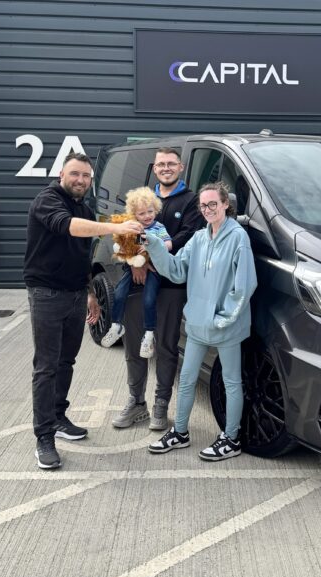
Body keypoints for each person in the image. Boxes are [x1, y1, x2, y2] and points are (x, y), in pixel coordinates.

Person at [24, 152, 143, 470]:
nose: (80, 180)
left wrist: (90, 293)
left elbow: (80, 257)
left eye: (86, 176)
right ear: (62, 174)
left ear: (91, 180)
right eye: (75, 174)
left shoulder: (85, 209)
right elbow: (69, 228)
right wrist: (114, 227)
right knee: (46, 367)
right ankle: (44, 437)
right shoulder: (48, 200)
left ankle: (58, 417)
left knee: (66, 362)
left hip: (76, 295)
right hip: (47, 294)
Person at [146, 181, 257, 461]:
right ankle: (180, 432)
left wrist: (224, 317)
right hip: (197, 323)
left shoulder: (238, 237)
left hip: (226, 325)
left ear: (225, 205)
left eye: (213, 204)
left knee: (231, 382)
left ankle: (231, 439)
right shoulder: (198, 238)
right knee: (186, 380)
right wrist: (155, 245)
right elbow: (176, 271)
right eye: (203, 205)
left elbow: (245, 284)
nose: (207, 209)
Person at [112, 147, 205, 431]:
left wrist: (153, 257)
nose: (166, 168)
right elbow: (125, 234)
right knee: (133, 346)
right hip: (137, 280)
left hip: (171, 286)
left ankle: (161, 404)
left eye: (171, 164)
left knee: (165, 347)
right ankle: (136, 402)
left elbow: (187, 237)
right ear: (154, 168)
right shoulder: (141, 198)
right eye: (161, 164)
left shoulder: (191, 201)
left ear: (181, 167)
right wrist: (135, 262)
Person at [101, 187, 172, 358]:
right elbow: (125, 247)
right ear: (134, 214)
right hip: (133, 264)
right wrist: (129, 254)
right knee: (118, 293)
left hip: (154, 268)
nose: (147, 216)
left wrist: (154, 246)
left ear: (156, 210)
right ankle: (116, 326)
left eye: (150, 211)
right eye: (142, 213)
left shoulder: (158, 227)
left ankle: (148, 335)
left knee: (149, 299)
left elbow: (169, 244)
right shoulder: (133, 227)